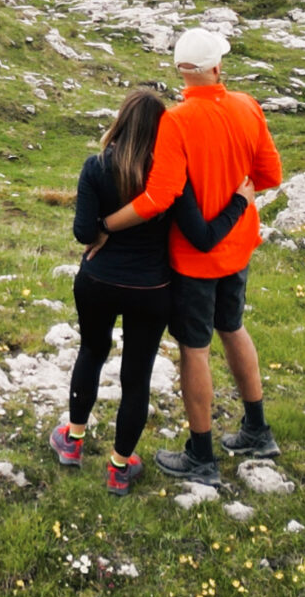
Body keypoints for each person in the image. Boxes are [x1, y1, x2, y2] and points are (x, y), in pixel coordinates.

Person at [97, 25, 284, 484]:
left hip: (194, 261)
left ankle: (202, 455)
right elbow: (271, 175)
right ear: (216, 68)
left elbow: (159, 198)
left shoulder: (176, 122)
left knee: (194, 350)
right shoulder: (247, 106)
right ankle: (257, 430)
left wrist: (106, 227)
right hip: (237, 248)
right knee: (233, 327)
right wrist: (237, 198)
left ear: (181, 72)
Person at [53, 89, 227, 493]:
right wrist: (237, 203)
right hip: (151, 288)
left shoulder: (96, 167)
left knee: (91, 353)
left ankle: (73, 440)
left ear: (120, 120)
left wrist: (103, 230)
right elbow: (198, 235)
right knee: (137, 375)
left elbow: (82, 232)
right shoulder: (169, 176)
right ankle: (119, 466)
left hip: (98, 282)